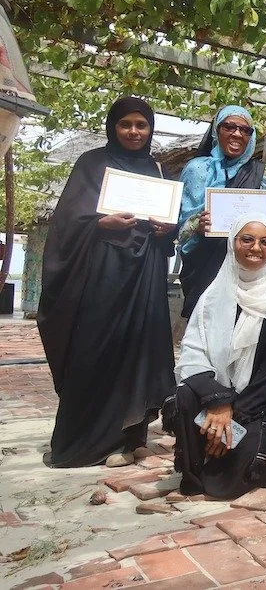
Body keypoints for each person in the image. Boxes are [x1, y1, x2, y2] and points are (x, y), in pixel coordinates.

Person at [37, 97, 176, 467]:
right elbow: (66, 223)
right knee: (95, 349)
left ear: (150, 130)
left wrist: (166, 230)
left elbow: (163, 222)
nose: (134, 132)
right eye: (126, 124)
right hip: (101, 274)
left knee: (138, 349)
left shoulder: (154, 168)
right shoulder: (92, 164)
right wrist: (100, 224)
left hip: (143, 273)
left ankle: (133, 437)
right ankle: (84, 440)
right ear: (112, 127)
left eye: (142, 125)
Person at [171, 213, 266, 498]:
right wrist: (217, 402)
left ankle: (215, 453)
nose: (256, 248)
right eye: (247, 239)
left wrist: (233, 415)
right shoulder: (213, 295)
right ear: (232, 243)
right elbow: (193, 353)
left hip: (257, 405)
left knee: (241, 473)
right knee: (184, 395)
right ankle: (196, 465)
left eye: (265, 242)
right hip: (215, 400)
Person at [177, 106, 266, 319]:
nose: (237, 134)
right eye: (229, 127)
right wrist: (197, 227)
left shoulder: (260, 172)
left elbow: (265, 223)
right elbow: (180, 230)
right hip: (204, 267)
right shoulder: (196, 169)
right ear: (216, 131)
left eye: (245, 130)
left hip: (245, 271)